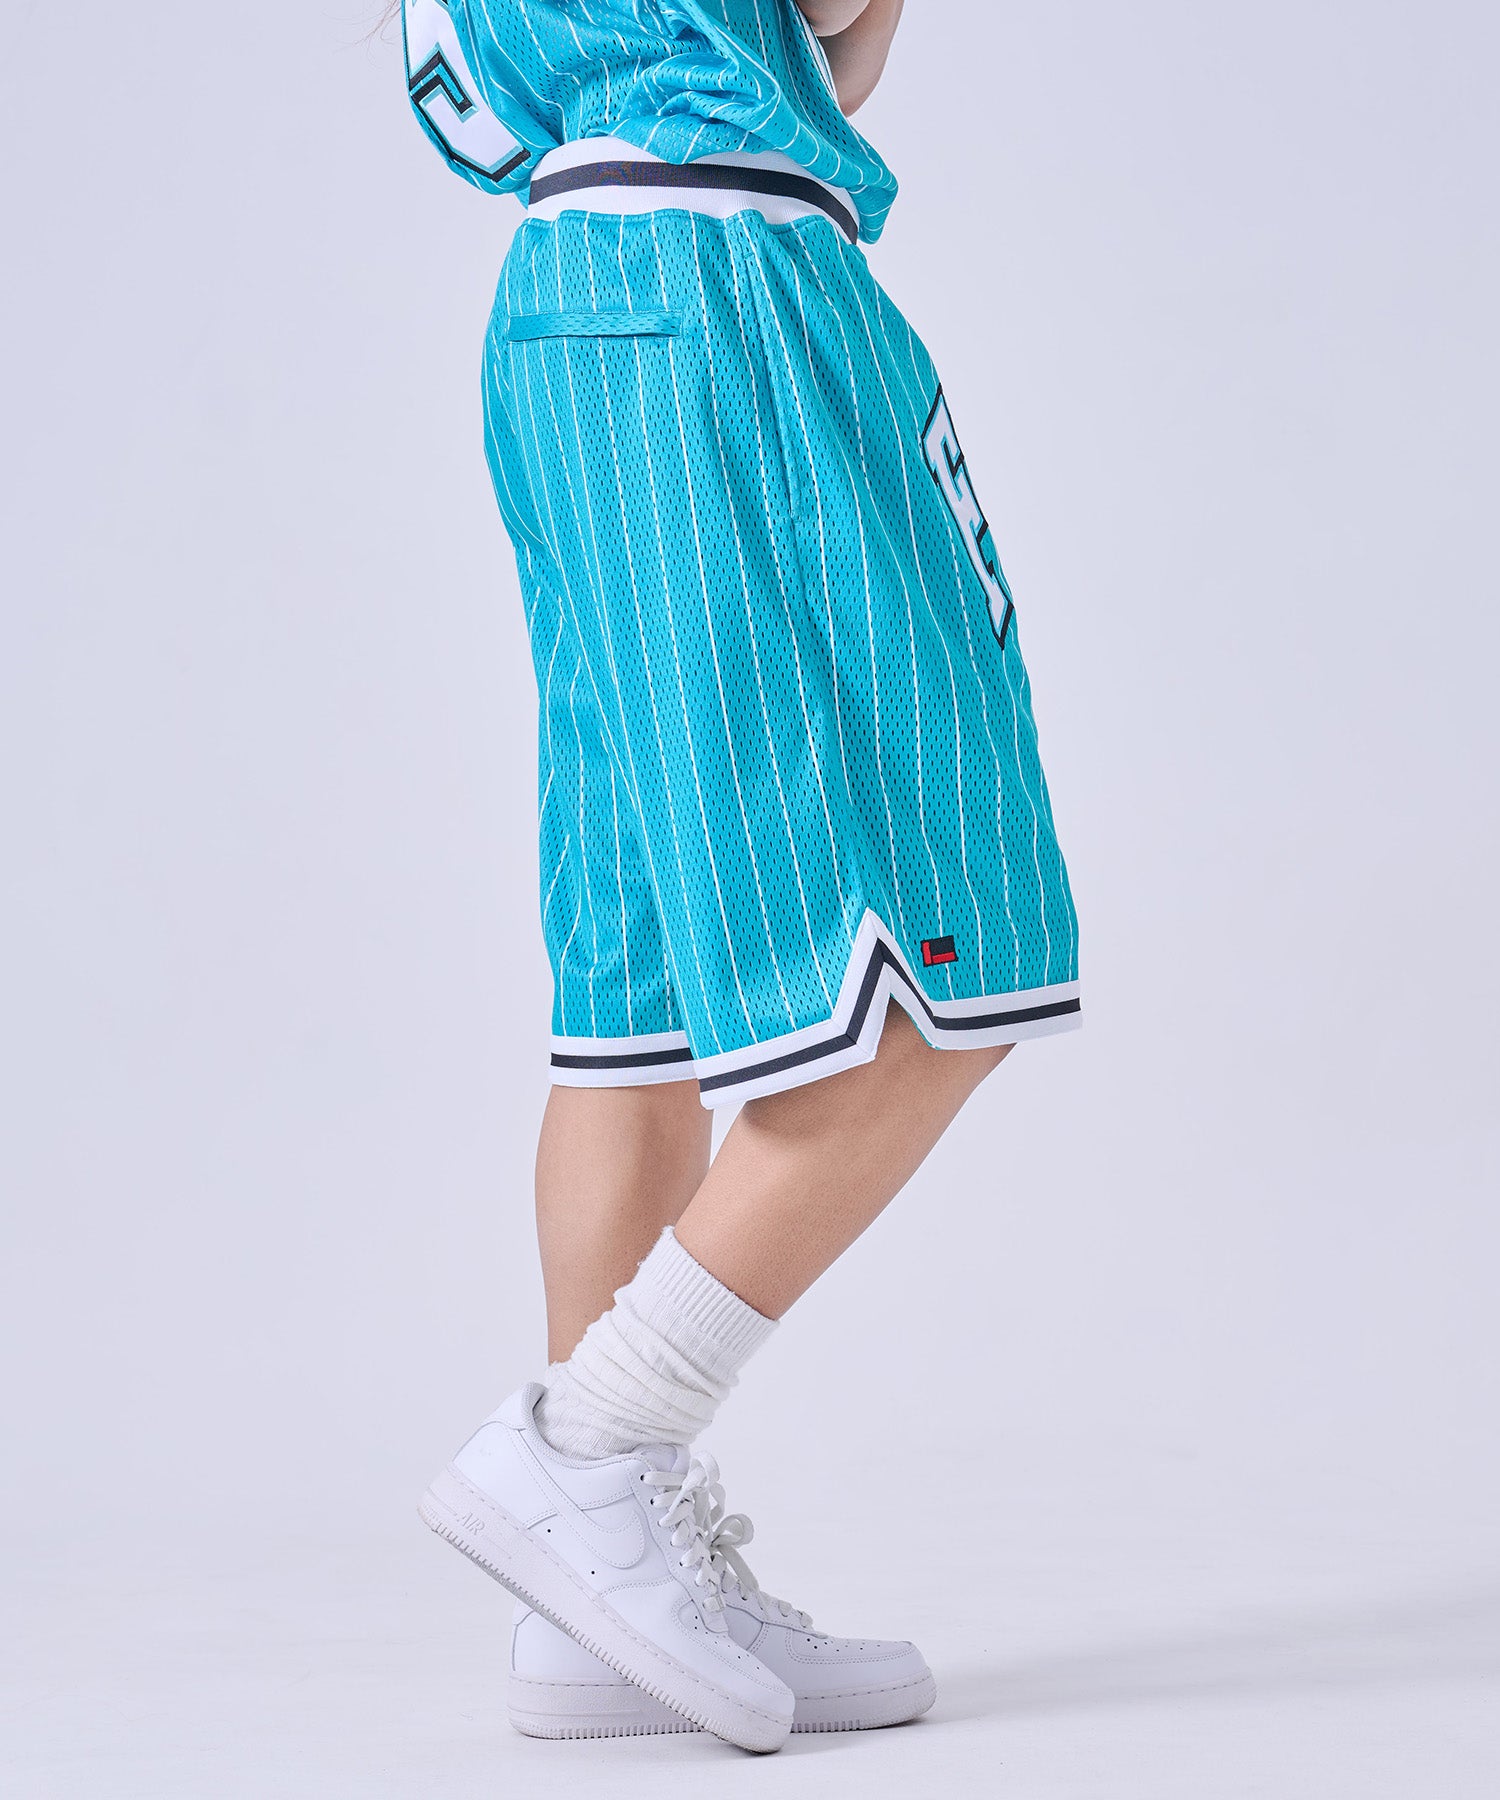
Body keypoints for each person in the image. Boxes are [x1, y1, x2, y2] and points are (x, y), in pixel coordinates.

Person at [396, 0, 1080, 1752]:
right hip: (723, 292)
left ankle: (593, 1612)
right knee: (952, 941)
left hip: (565, 300)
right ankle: (589, 1452)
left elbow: (472, 111)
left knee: (628, 1002)